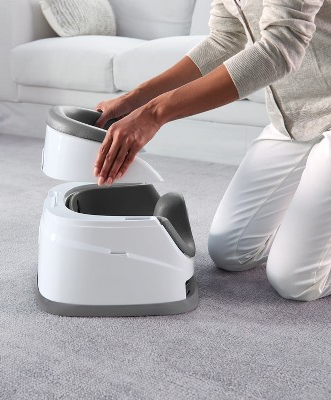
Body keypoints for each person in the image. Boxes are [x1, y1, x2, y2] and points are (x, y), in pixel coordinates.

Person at [92, 0, 331, 301]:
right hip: (294, 119)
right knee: (232, 252)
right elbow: (225, 38)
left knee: (296, 281)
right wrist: (136, 98)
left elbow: (280, 48)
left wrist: (155, 113)